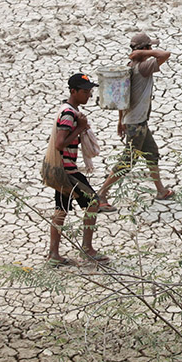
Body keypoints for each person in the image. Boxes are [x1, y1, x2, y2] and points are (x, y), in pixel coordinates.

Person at [97, 32, 174, 204]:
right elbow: (165, 54)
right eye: (149, 47)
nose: (153, 49)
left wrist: (120, 120)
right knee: (127, 161)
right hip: (136, 124)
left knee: (152, 153)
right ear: (145, 49)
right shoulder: (143, 67)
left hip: (135, 122)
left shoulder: (130, 65)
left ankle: (161, 191)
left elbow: (123, 96)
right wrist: (145, 54)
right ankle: (101, 195)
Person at [48, 73, 108, 266]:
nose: (88, 96)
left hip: (63, 169)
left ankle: (54, 254)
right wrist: (80, 128)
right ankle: (87, 249)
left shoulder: (68, 110)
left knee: (61, 209)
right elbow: (59, 144)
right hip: (68, 170)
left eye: (90, 91)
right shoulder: (69, 114)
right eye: (84, 92)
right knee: (93, 202)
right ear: (73, 91)